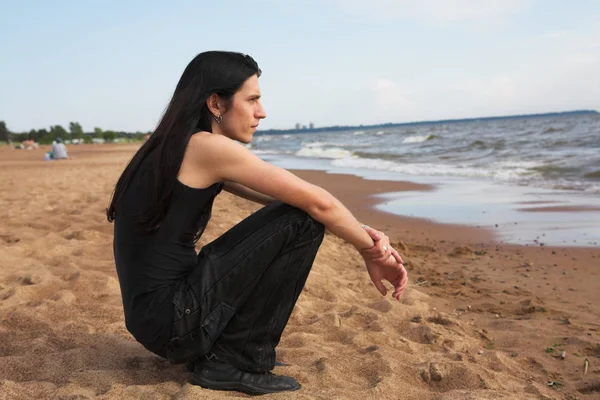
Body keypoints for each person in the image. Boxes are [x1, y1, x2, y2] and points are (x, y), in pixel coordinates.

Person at [106, 51, 407, 395]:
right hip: (175, 321)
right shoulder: (208, 148)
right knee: (304, 221)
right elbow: (315, 202)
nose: (261, 112)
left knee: (301, 214)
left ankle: (230, 350)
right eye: (252, 100)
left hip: (156, 319)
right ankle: (235, 360)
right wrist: (372, 252)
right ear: (216, 103)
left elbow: (292, 199)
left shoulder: (169, 145)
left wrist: (358, 228)